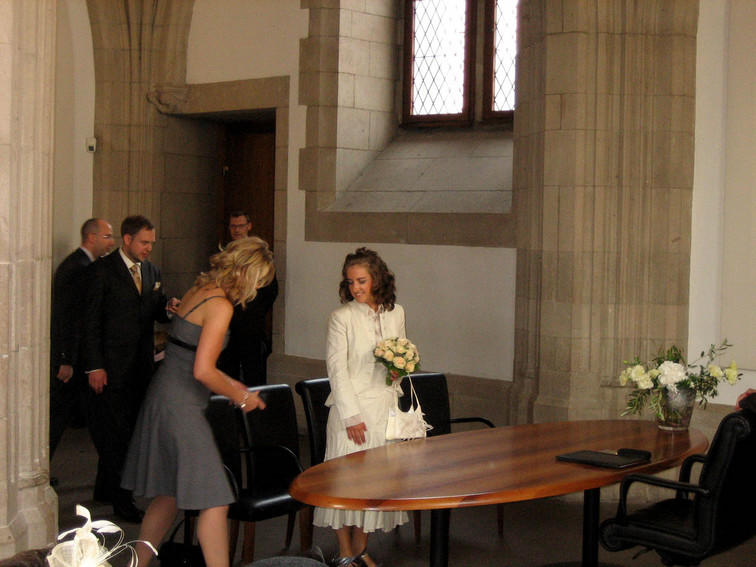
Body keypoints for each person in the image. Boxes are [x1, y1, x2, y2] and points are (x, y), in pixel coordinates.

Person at [121, 236, 274, 567]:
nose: (257, 289)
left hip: (165, 394)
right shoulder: (221, 306)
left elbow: (188, 354)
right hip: (181, 406)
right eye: (259, 281)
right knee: (215, 499)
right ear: (246, 273)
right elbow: (203, 370)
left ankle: (136, 565)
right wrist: (241, 396)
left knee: (167, 495)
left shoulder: (202, 289)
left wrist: (233, 386)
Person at [313, 248, 408, 567]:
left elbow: (402, 352)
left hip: (384, 407)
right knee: (345, 482)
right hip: (350, 411)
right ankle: (344, 551)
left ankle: (361, 548)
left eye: (362, 281)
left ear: (377, 279)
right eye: (351, 281)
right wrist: (351, 416)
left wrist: (397, 372)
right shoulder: (341, 317)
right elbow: (336, 369)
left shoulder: (397, 313)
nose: (356, 287)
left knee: (373, 483)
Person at [81, 214, 179, 522]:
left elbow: (156, 311)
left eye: (152, 242)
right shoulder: (101, 271)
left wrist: (169, 308)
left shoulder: (151, 271)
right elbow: (90, 322)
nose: (149, 248)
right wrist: (94, 366)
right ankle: (122, 502)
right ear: (127, 239)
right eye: (144, 242)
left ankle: (106, 488)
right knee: (118, 435)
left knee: (129, 432)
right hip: (110, 367)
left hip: (141, 366)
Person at [49, 218, 115, 458]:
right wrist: (65, 358)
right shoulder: (77, 267)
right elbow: (66, 317)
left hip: (77, 357)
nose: (111, 243)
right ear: (91, 237)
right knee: (57, 416)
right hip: (70, 359)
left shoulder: (82, 264)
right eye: (107, 236)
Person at [216, 211, 278, 386]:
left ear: (249, 226)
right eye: (233, 226)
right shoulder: (226, 254)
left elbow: (271, 291)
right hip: (228, 321)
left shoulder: (258, 255)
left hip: (251, 321)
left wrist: (252, 309)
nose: (236, 230)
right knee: (227, 367)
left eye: (240, 226)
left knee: (253, 371)